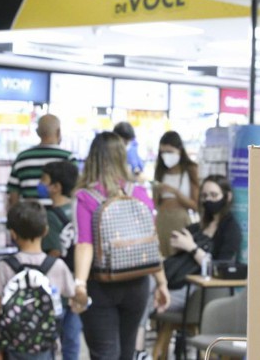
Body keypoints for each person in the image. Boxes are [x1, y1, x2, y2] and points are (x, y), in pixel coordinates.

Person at [71, 132, 170, 360]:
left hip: (102, 284)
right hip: (138, 284)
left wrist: (80, 285)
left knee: (105, 353)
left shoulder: (86, 197)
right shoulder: (139, 192)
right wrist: (162, 283)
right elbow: (150, 243)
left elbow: (84, 243)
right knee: (126, 353)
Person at [149, 175, 241, 359]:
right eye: (205, 196)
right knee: (143, 288)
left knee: (146, 299)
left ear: (227, 196)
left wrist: (191, 248)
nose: (209, 200)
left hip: (199, 293)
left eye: (214, 195)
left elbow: (220, 268)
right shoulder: (196, 227)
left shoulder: (230, 230)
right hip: (176, 281)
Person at [0, 201, 76, 360]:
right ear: (46, 231)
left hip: (12, 345)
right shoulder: (57, 266)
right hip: (46, 346)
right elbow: (73, 301)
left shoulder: (4, 267)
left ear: (12, 234)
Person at [40, 161, 82, 360]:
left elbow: (53, 252)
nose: (40, 184)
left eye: (44, 180)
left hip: (54, 287)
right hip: (76, 283)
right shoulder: (78, 209)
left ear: (56, 187)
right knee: (72, 339)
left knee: (49, 338)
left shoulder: (49, 216)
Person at [7, 114, 76, 206]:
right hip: (60, 217)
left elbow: (13, 195)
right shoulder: (68, 158)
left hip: (29, 216)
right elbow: (75, 191)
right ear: (58, 131)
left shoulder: (22, 158)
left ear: (37, 132)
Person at [153, 131, 200, 257]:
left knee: (179, 256)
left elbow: (195, 205)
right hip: (162, 219)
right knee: (162, 257)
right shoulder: (160, 171)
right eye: (162, 152)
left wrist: (174, 192)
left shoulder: (190, 169)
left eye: (169, 151)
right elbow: (156, 203)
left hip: (180, 220)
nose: (165, 156)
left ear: (179, 150)